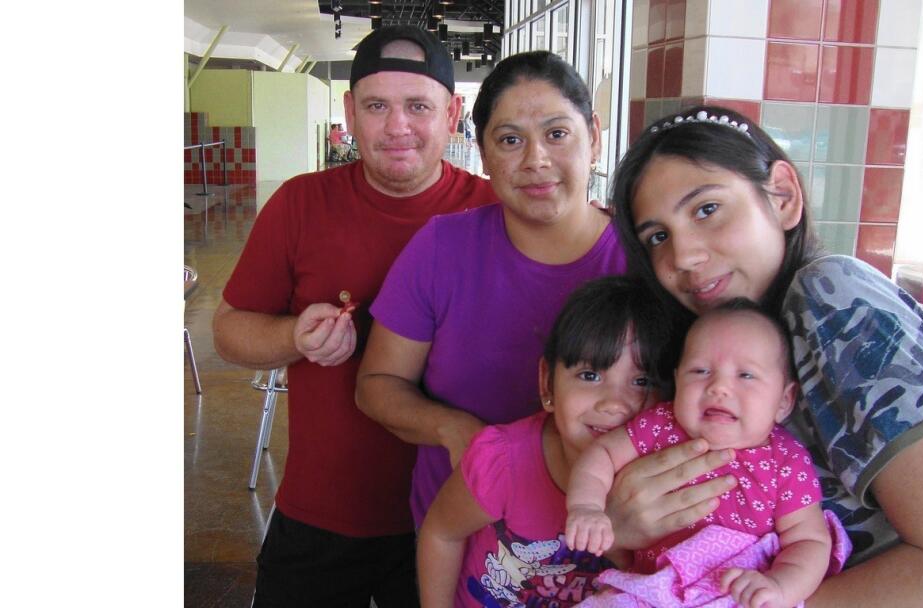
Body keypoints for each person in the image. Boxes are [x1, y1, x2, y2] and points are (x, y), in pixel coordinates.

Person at [602, 106, 923, 606]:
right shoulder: (716, 345)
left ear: (782, 196)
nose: (683, 257)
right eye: (658, 237)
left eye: (706, 210)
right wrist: (619, 529)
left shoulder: (830, 297)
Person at [211, 25, 496, 607]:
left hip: (460, 515)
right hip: (320, 515)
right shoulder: (299, 202)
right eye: (376, 106)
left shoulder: (494, 211)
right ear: (348, 112)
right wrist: (294, 335)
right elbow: (228, 331)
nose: (397, 127)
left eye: (418, 106)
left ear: (452, 113)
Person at [356, 51, 624, 532]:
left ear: (595, 138)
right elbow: (377, 386)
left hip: (608, 546)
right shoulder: (443, 249)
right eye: (510, 140)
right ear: (483, 154)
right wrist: (453, 430)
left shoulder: (639, 264)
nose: (535, 159)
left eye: (557, 134)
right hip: (459, 541)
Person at [416, 275, 676, 607]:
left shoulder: (665, 484)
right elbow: (441, 533)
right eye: (590, 375)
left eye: (641, 380)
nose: (614, 403)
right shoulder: (503, 461)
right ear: (547, 383)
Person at [566, 301, 847, 608]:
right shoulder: (661, 425)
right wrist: (587, 507)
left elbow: (809, 541)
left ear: (784, 400)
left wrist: (778, 587)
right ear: (677, 381)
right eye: (700, 371)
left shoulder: (786, 459)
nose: (719, 387)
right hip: (651, 591)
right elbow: (602, 453)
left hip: (737, 595)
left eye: (746, 375)